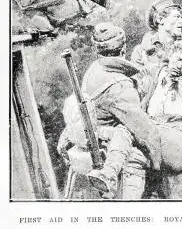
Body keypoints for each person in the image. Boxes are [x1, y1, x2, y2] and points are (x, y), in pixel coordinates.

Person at [55, 23, 164, 197]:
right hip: (104, 142)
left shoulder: (94, 69)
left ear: (98, 50)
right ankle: (110, 177)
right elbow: (145, 130)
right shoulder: (120, 85)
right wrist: (157, 165)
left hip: (86, 135)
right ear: (123, 48)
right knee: (127, 131)